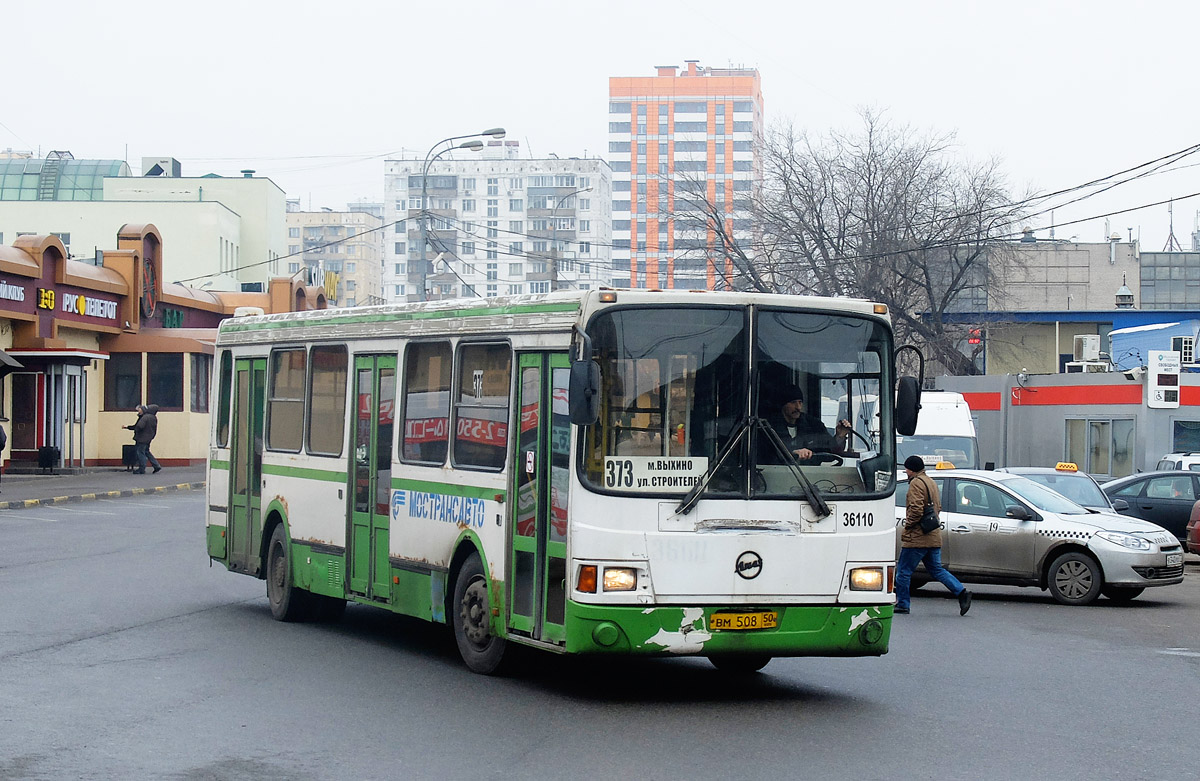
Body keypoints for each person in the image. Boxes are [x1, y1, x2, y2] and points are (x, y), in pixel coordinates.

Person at [896, 455, 971, 615]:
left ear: (912, 469)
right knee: (937, 569)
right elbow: (938, 507)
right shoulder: (930, 482)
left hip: (917, 537)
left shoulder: (916, 483)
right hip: (933, 534)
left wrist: (908, 526)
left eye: (907, 469)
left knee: (903, 571)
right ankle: (962, 592)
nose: (906, 472)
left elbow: (916, 510)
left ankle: (902, 604)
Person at [764, 384, 852, 463]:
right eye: (793, 402)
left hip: (811, 476)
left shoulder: (814, 425)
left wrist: (840, 436)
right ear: (783, 405)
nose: (798, 407)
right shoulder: (769, 427)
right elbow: (768, 455)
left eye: (800, 402)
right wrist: (793, 452)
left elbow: (831, 451)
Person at [125, 404, 162, 475]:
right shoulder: (153, 417)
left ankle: (141, 469)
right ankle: (156, 465)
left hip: (141, 438)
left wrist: (136, 430)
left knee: (140, 452)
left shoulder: (145, 417)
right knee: (147, 452)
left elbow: (139, 426)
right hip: (148, 438)